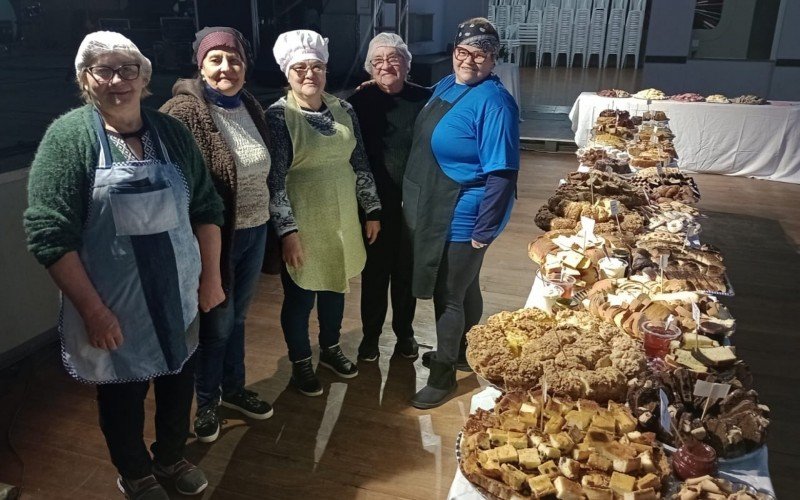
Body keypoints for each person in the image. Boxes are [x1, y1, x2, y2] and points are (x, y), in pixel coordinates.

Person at [24, 32, 224, 498]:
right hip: (113, 306)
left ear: (144, 78)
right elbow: (49, 234)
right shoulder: (69, 139)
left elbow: (207, 208)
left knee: (179, 382)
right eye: (104, 70)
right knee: (122, 393)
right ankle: (135, 473)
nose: (118, 80)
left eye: (127, 69)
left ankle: (172, 458)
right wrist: (94, 311)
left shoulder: (170, 134)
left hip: (179, 294)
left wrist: (211, 278)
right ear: (84, 79)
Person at [160, 26, 274, 444]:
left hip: (254, 228)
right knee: (216, 323)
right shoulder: (183, 112)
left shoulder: (249, 105)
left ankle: (234, 388)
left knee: (236, 319)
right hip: (214, 239)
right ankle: (207, 402)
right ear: (201, 65)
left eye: (235, 59)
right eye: (216, 59)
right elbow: (172, 185)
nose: (227, 67)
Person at [404, 18, 519, 409]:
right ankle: (466, 352)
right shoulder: (450, 83)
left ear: (494, 59)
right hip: (441, 202)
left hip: (464, 212)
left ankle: (442, 377)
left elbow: (502, 172)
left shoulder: (494, 102)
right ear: (455, 52)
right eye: (464, 51)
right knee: (466, 287)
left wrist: (483, 230)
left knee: (447, 294)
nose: (471, 60)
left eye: (482, 53)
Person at [267, 29, 382, 396]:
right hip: (304, 221)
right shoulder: (279, 116)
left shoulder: (343, 108)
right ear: (287, 73)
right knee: (301, 296)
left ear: (325, 70)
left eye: (316, 66)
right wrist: (288, 232)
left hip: (343, 217)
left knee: (336, 286)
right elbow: (276, 180)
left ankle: (330, 349)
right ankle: (301, 360)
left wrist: (372, 209)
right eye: (299, 68)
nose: (309, 74)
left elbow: (360, 162)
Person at [347, 33, 431, 362]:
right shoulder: (358, 103)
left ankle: (405, 333)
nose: (386, 65)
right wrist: (371, 208)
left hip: (414, 203)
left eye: (394, 58)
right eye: (378, 61)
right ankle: (370, 337)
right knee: (375, 274)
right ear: (369, 68)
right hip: (373, 207)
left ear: (407, 65)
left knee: (406, 273)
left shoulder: (425, 98)